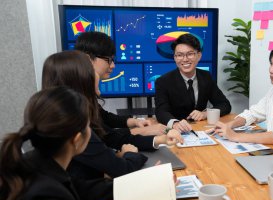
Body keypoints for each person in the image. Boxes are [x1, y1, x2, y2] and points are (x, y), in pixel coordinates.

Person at [0, 86, 154, 200]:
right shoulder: (42, 196)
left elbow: (86, 190)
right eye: (89, 126)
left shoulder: (36, 164)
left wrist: (146, 184)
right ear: (77, 139)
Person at [42, 50, 183, 180]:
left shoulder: (65, 116)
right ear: (81, 79)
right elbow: (121, 170)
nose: (97, 74)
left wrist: (159, 139)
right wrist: (130, 154)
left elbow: (108, 136)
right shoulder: (75, 126)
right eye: (91, 70)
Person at [74, 31, 167, 136]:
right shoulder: (76, 100)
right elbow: (104, 136)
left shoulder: (81, 90)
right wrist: (144, 131)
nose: (113, 65)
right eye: (108, 60)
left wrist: (135, 122)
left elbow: (104, 117)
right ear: (88, 59)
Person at [155, 33, 232, 133]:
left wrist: (205, 114)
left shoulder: (206, 76)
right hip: (176, 132)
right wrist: (175, 123)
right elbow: (161, 111)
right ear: (175, 58)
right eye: (179, 55)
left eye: (190, 54)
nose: (185, 59)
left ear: (198, 55)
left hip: (201, 130)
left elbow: (224, 104)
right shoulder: (163, 81)